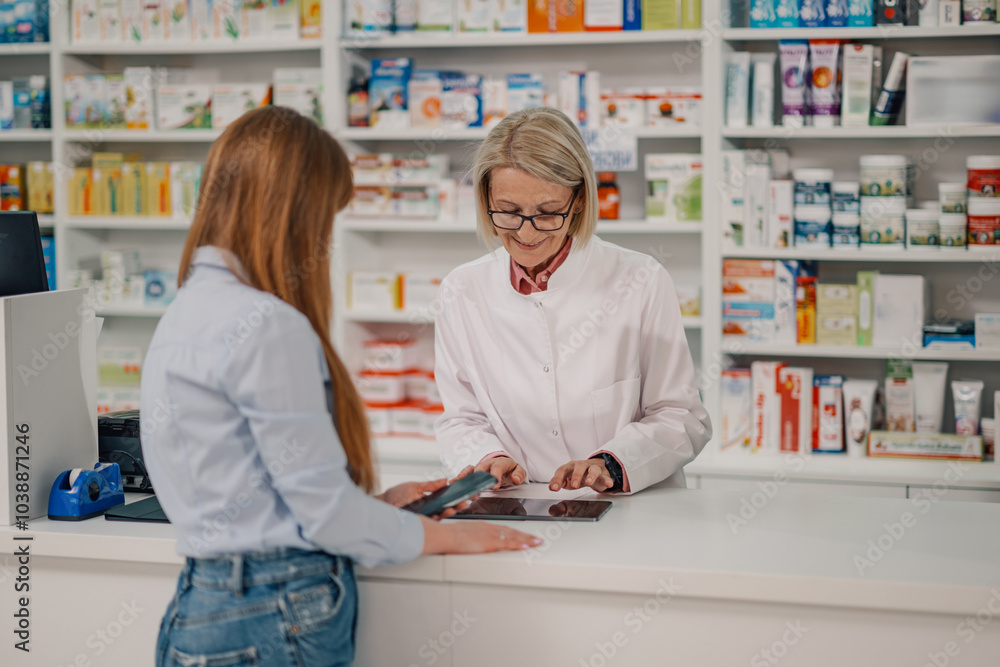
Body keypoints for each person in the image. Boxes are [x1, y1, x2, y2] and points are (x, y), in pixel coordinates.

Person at [140, 106, 539, 667]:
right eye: (325, 217)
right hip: (275, 611)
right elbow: (324, 517)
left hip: (201, 607)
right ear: (294, 215)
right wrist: (449, 539)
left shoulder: (185, 312)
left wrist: (378, 508)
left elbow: (269, 498)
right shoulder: (265, 324)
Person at [435, 107, 712, 495]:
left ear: (579, 199)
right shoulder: (462, 290)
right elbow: (461, 417)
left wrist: (611, 465)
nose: (526, 232)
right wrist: (488, 458)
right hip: (516, 504)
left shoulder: (641, 280)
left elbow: (682, 416)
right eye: (509, 212)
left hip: (630, 511)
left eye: (548, 213)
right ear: (485, 199)